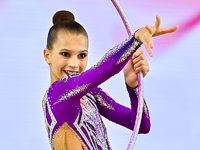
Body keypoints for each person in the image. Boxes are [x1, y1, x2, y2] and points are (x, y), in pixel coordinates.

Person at [42, 10, 178, 150]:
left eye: (82, 55)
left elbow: (140, 124)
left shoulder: (91, 95)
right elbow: (104, 69)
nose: (74, 64)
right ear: (47, 55)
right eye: (65, 54)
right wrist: (135, 39)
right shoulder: (56, 94)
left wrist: (133, 87)